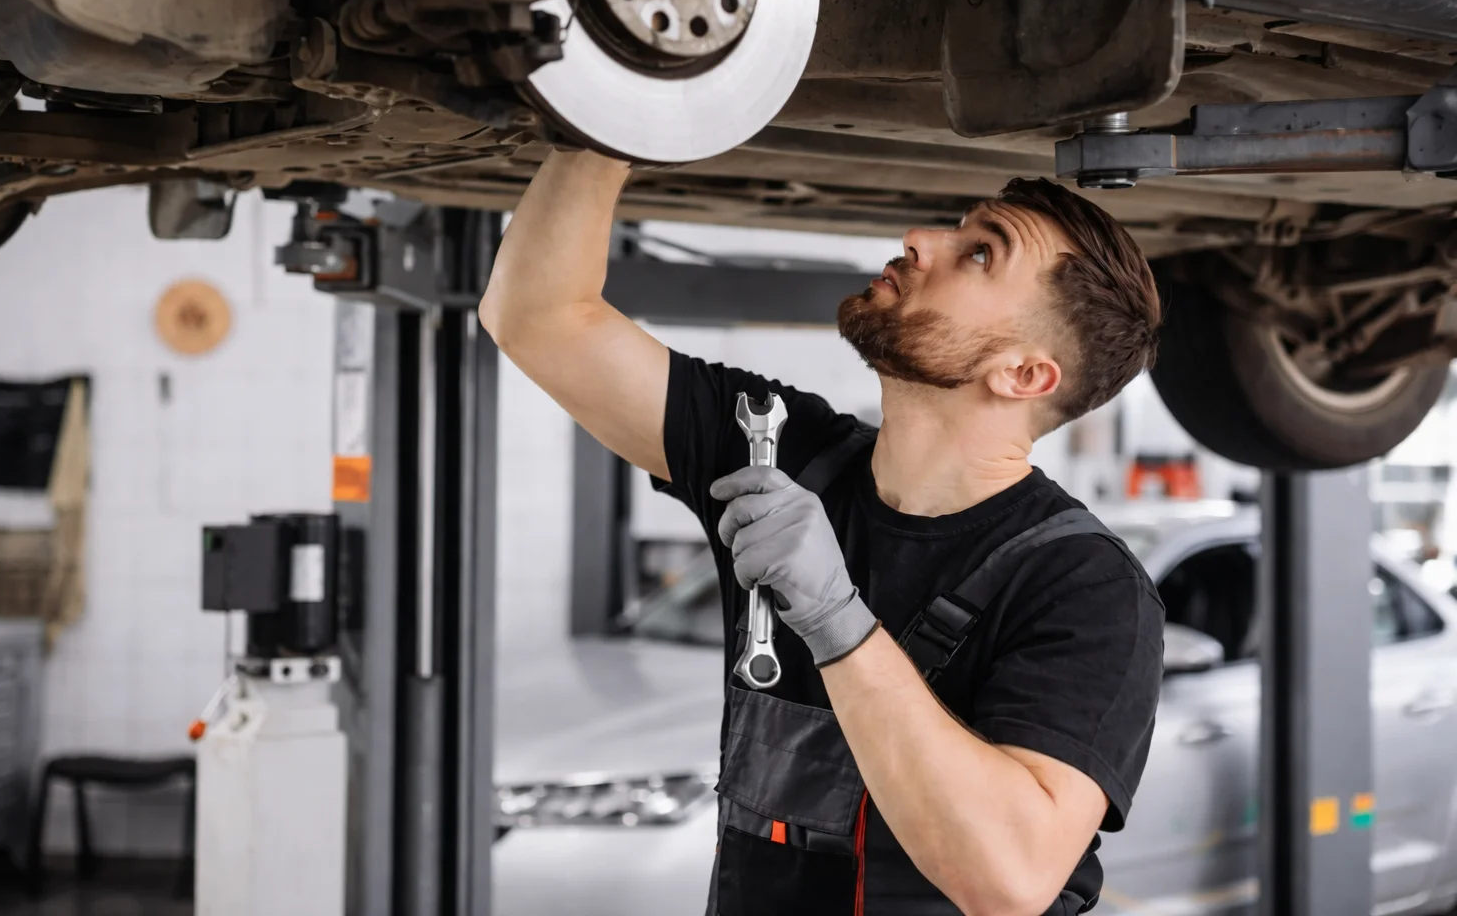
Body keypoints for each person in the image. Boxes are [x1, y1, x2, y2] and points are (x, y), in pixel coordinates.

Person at [479, 149, 1167, 916]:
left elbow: (1008, 878)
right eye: (958, 230)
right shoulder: (779, 448)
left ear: (1024, 376)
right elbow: (536, 316)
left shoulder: (1084, 586)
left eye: (979, 254)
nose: (918, 239)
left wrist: (836, 619)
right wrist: (606, 126)